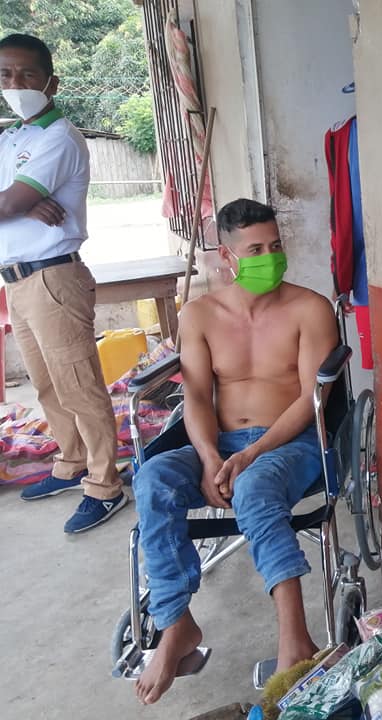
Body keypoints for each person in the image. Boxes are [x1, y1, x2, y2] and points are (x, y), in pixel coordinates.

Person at [133, 198, 339, 704]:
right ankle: (176, 623)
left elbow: (311, 399)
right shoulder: (200, 315)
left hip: (290, 441)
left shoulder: (310, 309)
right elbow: (197, 398)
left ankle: (296, 639)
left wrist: (251, 455)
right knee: (153, 479)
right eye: (255, 250)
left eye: (276, 245)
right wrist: (208, 457)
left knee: (254, 485)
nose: (270, 257)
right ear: (227, 257)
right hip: (220, 441)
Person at [0, 33, 126, 532]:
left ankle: (105, 484)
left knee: (78, 385)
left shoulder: (59, 137)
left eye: (27, 74)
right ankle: (71, 462)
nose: (16, 84)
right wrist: (21, 202)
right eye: (5, 75)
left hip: (53, 276)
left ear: (51, 82)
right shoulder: (12, 138)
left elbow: (8, 201)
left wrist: (17, 202)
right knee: (47, 384)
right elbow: (10, 200)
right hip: (18, 282)